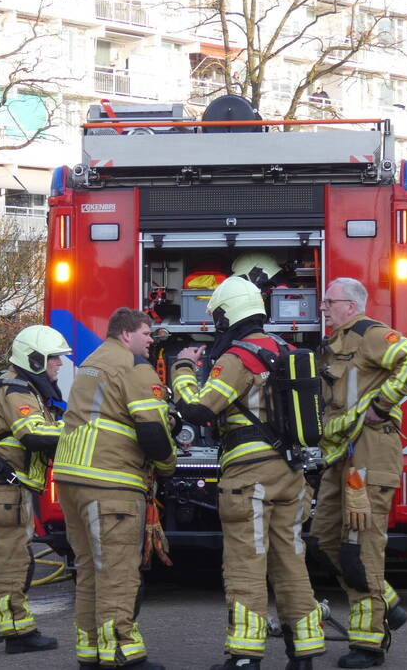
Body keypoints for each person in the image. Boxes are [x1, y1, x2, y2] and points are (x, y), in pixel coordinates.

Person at [170, 276, 324, 670]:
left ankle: (244, 658)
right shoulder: (287, 349)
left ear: (229, 314)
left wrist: (183, 370)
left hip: (249, 477)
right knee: (291, 561)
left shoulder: (240, 357)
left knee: (245, 564)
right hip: (290, 474)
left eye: (219, 316)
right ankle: (304, 653)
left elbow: (201, 409)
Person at [309, 277, 407, 669]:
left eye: (330, 301)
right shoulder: (335, 343)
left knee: (361, 549)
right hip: (340, 457)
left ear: (350, 304)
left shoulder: (370, 333)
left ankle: (370, 644)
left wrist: (382, 403)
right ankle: (388, 602)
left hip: (370, 454)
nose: (323, 307)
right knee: (325, 537)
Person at [54, 307, 177, 670]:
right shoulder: (134, 366)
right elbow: (153, 429)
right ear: (126, 335)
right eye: (146, 333)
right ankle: (123, 653)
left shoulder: (92, 361)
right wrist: (167, 467)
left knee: (90, 570)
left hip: (72, 480)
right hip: (111, 483)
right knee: (118, 572)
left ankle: (91, 653)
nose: (151, 340)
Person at [0, 324, 71, 654]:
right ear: (35, 359)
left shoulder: (24, 386)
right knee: (15, 557)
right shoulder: (17, 390)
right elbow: (33, 433)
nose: (59, 365)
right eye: (54, 359)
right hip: (4, 487)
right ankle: (19, 631)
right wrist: (80, 431)